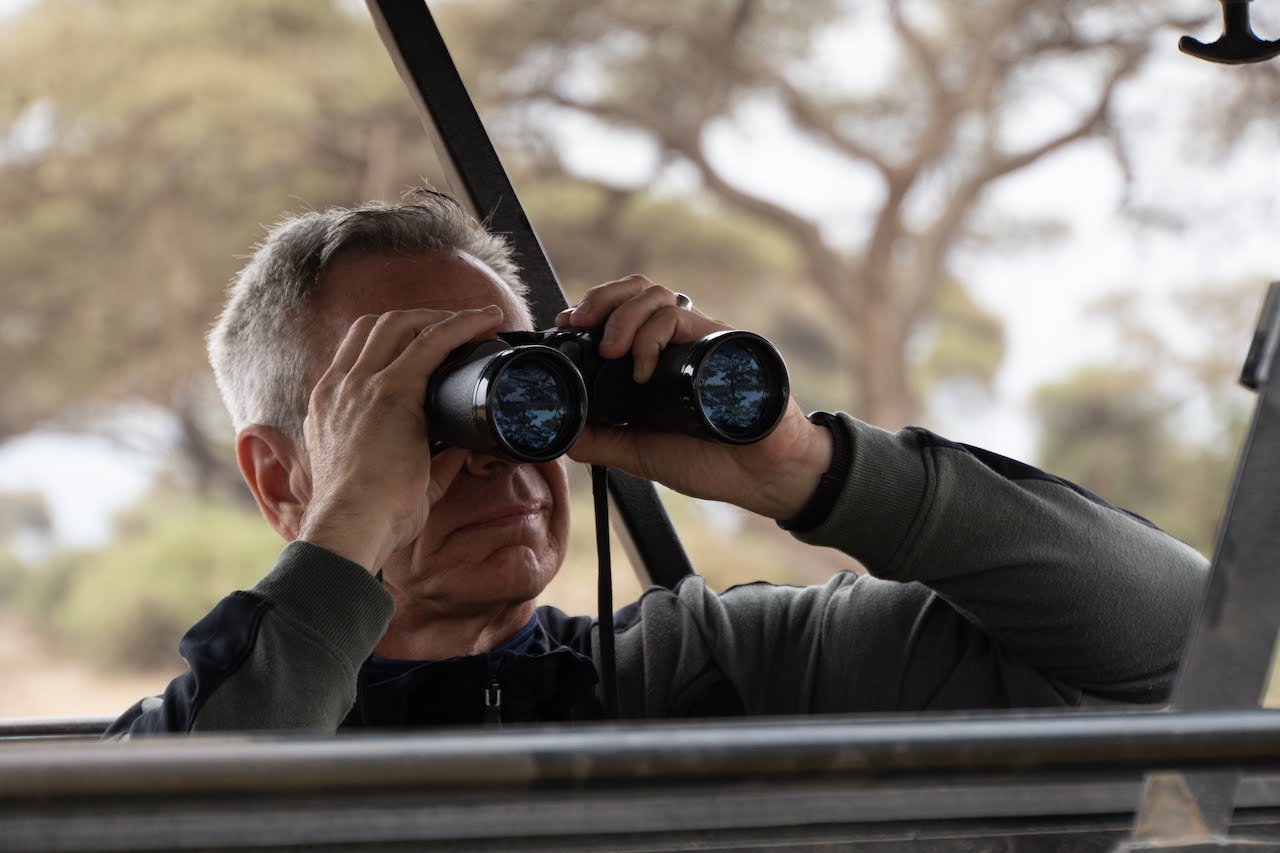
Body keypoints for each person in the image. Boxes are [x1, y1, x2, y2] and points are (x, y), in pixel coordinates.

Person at [107, 189, 1207, 735]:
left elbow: (1175, 639)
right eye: (409, 406)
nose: (496, 456)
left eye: (514, 380)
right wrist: (350, 528)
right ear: (278, 476)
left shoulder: (726, 668)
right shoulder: (213, 728)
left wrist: (804, 469)